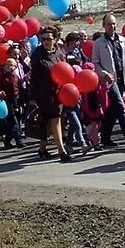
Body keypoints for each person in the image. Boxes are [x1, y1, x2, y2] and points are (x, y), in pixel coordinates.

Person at [89, 13, 125, 149]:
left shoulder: (123, 41)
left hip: (122, 79)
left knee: (112, 110)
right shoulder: (99, 43)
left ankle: (105, 137)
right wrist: (103, 74)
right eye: (109, 24)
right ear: (104, 26)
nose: (112, 26)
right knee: (121, 107)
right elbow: (95, 63)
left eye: (113, 23)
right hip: (109, 82)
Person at [29, 25, 70, 161]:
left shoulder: (59, 54)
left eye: (49, 39)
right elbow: (33, 77)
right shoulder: (37, 55)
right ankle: (61, 151)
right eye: (44, 38)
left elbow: (65, 71)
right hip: (44, 94)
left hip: (58, 93)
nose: (46, 41)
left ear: (55, 39)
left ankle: (42, 149)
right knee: (54, 119)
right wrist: (33, 97)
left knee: (47, 123)